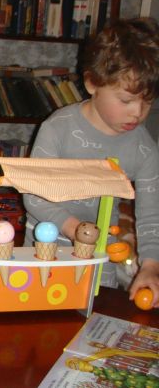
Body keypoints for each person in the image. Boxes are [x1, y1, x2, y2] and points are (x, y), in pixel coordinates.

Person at [24, 17, 159, 306]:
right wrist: (75, 230)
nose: (137, 112)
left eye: (147, 101)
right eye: (126, 100)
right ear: (92, 83)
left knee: (92, 318)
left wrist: (151, 265)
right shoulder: (57, 128)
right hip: (44, 252)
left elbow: (152, 215)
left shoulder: (145, 149)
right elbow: (34, 196)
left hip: (100, 262)